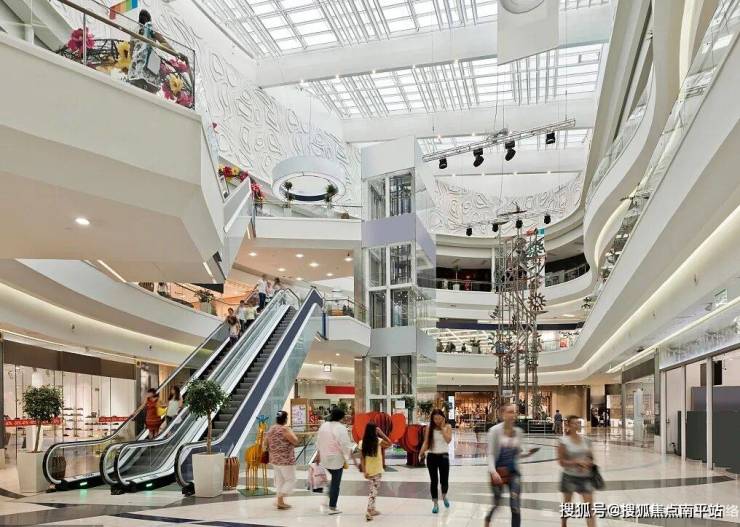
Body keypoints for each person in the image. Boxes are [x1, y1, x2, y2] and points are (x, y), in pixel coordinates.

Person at [485, 404, 539, 527]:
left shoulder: (518, 432)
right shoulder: (494, 431)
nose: (512, 415)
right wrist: (493, 472)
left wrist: (528, 453)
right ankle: (488, 518)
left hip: (514, 473)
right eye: (509, 412)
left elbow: (517, 453)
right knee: (497, 503)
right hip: (498, 471)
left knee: (515, 506)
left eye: (514, 412)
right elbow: (491, 453)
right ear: (502, 415)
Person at [559, 416, 596, 527]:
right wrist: (576, 462)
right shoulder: (563, 441)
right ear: (568, 425)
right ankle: (564, 524)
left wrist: (588, 463)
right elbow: (561, 462)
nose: (577, 425)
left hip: (585, 477)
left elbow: (591, 458)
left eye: (578, 423)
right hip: (569, 477)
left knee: (589, 508)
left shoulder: (586, 440)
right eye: (574, 423)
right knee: (567, 505)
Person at [316, 408, 354, 515]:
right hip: (336, 459)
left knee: (333, 481)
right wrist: (349, 453)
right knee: (336, 483)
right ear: (341, 417)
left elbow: (318, 440)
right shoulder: (341, 428)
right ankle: (332, 506)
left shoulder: (324, 425)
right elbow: (345, 444)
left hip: (324, 457)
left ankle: (329, 496)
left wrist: (318, 454)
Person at [127, 10, 173, 93]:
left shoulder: (134, 30)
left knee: (137, 86)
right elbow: (163, 42)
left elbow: (131, 51)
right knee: (148, 86)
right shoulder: (149, 27)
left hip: (138, 63)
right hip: (145, 62)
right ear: (149, 19)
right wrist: (172, 51)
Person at [263, 411, 299, 510]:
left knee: (280, 481)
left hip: (274, 460)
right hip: (286, 460)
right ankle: (279, 499)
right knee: (291, 480)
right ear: (285, 419)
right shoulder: (285, 429)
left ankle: (280, 502)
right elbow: (295, 441)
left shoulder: (271, 429)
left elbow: (265, 443)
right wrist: (291, 432)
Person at [418, 409, 452, 514]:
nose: (437, 421)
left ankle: (444, 496)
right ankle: (435, 504)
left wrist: (442, 428)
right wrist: (421, 453)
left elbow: (448, 440)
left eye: (439, 418)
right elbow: (426, 442)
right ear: (432, 419)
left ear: (443, 418)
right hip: (432, 456)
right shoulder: (429, 427)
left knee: (444, 480)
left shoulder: (448, 427)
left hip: (444, 456)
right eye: (435, 419)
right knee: (434, 481)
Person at [359, 422, 391, 521]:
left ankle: (372, 509)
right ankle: (369, 510)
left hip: (369, 470)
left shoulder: (362, 442)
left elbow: (362, 458)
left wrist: (364, 471)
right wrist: (382, 433)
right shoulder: (378, 441)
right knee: (373, 491)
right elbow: (390, 443)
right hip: (377, 469)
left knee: (373, 489)